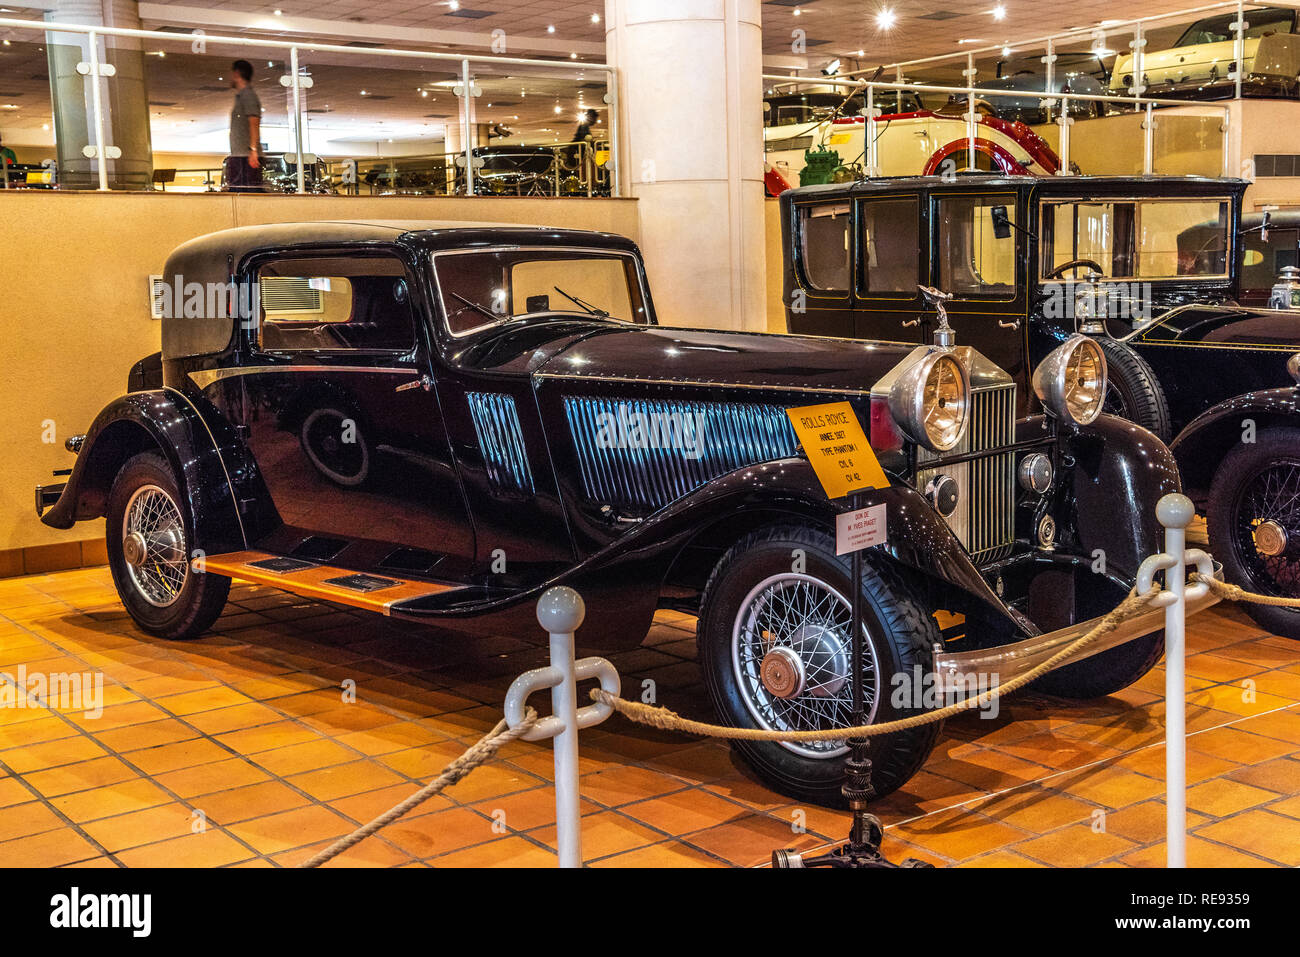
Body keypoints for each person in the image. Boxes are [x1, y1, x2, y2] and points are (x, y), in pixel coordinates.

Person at [224, 59, 263, 192]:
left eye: (231, 74)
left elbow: (254, 121)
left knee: (246, 193)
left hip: (245, 157)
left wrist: (253, 150)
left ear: (236, 74)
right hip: (241, 155)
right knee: (239, 192)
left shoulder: (248, 95)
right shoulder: (242, 96)